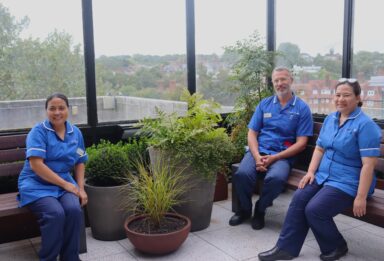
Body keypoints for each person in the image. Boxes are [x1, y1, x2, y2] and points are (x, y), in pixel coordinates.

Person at [258, 78, 382, 261]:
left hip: (349, 181)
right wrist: (310, 172)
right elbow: (319, 148)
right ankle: (286, 248)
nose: (341, 99)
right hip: (324, 175)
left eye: (346, 95)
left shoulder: (366, 126)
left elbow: (369, 165)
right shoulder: (331, 119)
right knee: (299, 198)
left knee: (315, 210)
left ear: (357, 98)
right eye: (338, 95)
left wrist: (361, 197)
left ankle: (337, 245)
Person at [229, 67, 313, 230]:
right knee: (242, 174)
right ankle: (245, 210)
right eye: (276, 80)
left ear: (291, 80)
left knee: (276, 179)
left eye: (283, 79)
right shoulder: (265, 104)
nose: (280, 83)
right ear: (273, 83)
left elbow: (302, 143)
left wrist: (275, 158)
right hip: (259, 151)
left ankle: (260, 209)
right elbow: (252, 133)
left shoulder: (301, 108)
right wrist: (256, 155)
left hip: (282, 156)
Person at [17, 93, 88, 261]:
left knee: (73, 210)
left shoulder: (75, 133)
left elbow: (79, 161)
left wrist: (81, 189)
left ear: (68, 110)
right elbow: (36, 165)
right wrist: (66, 185)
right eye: (52, 108)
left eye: (61, 108)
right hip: (36, 183)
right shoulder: (38, 132)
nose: (57, 112)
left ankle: (70, 258)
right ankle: (48, 258)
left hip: (63, 183)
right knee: (55, 214)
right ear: (46, 111)